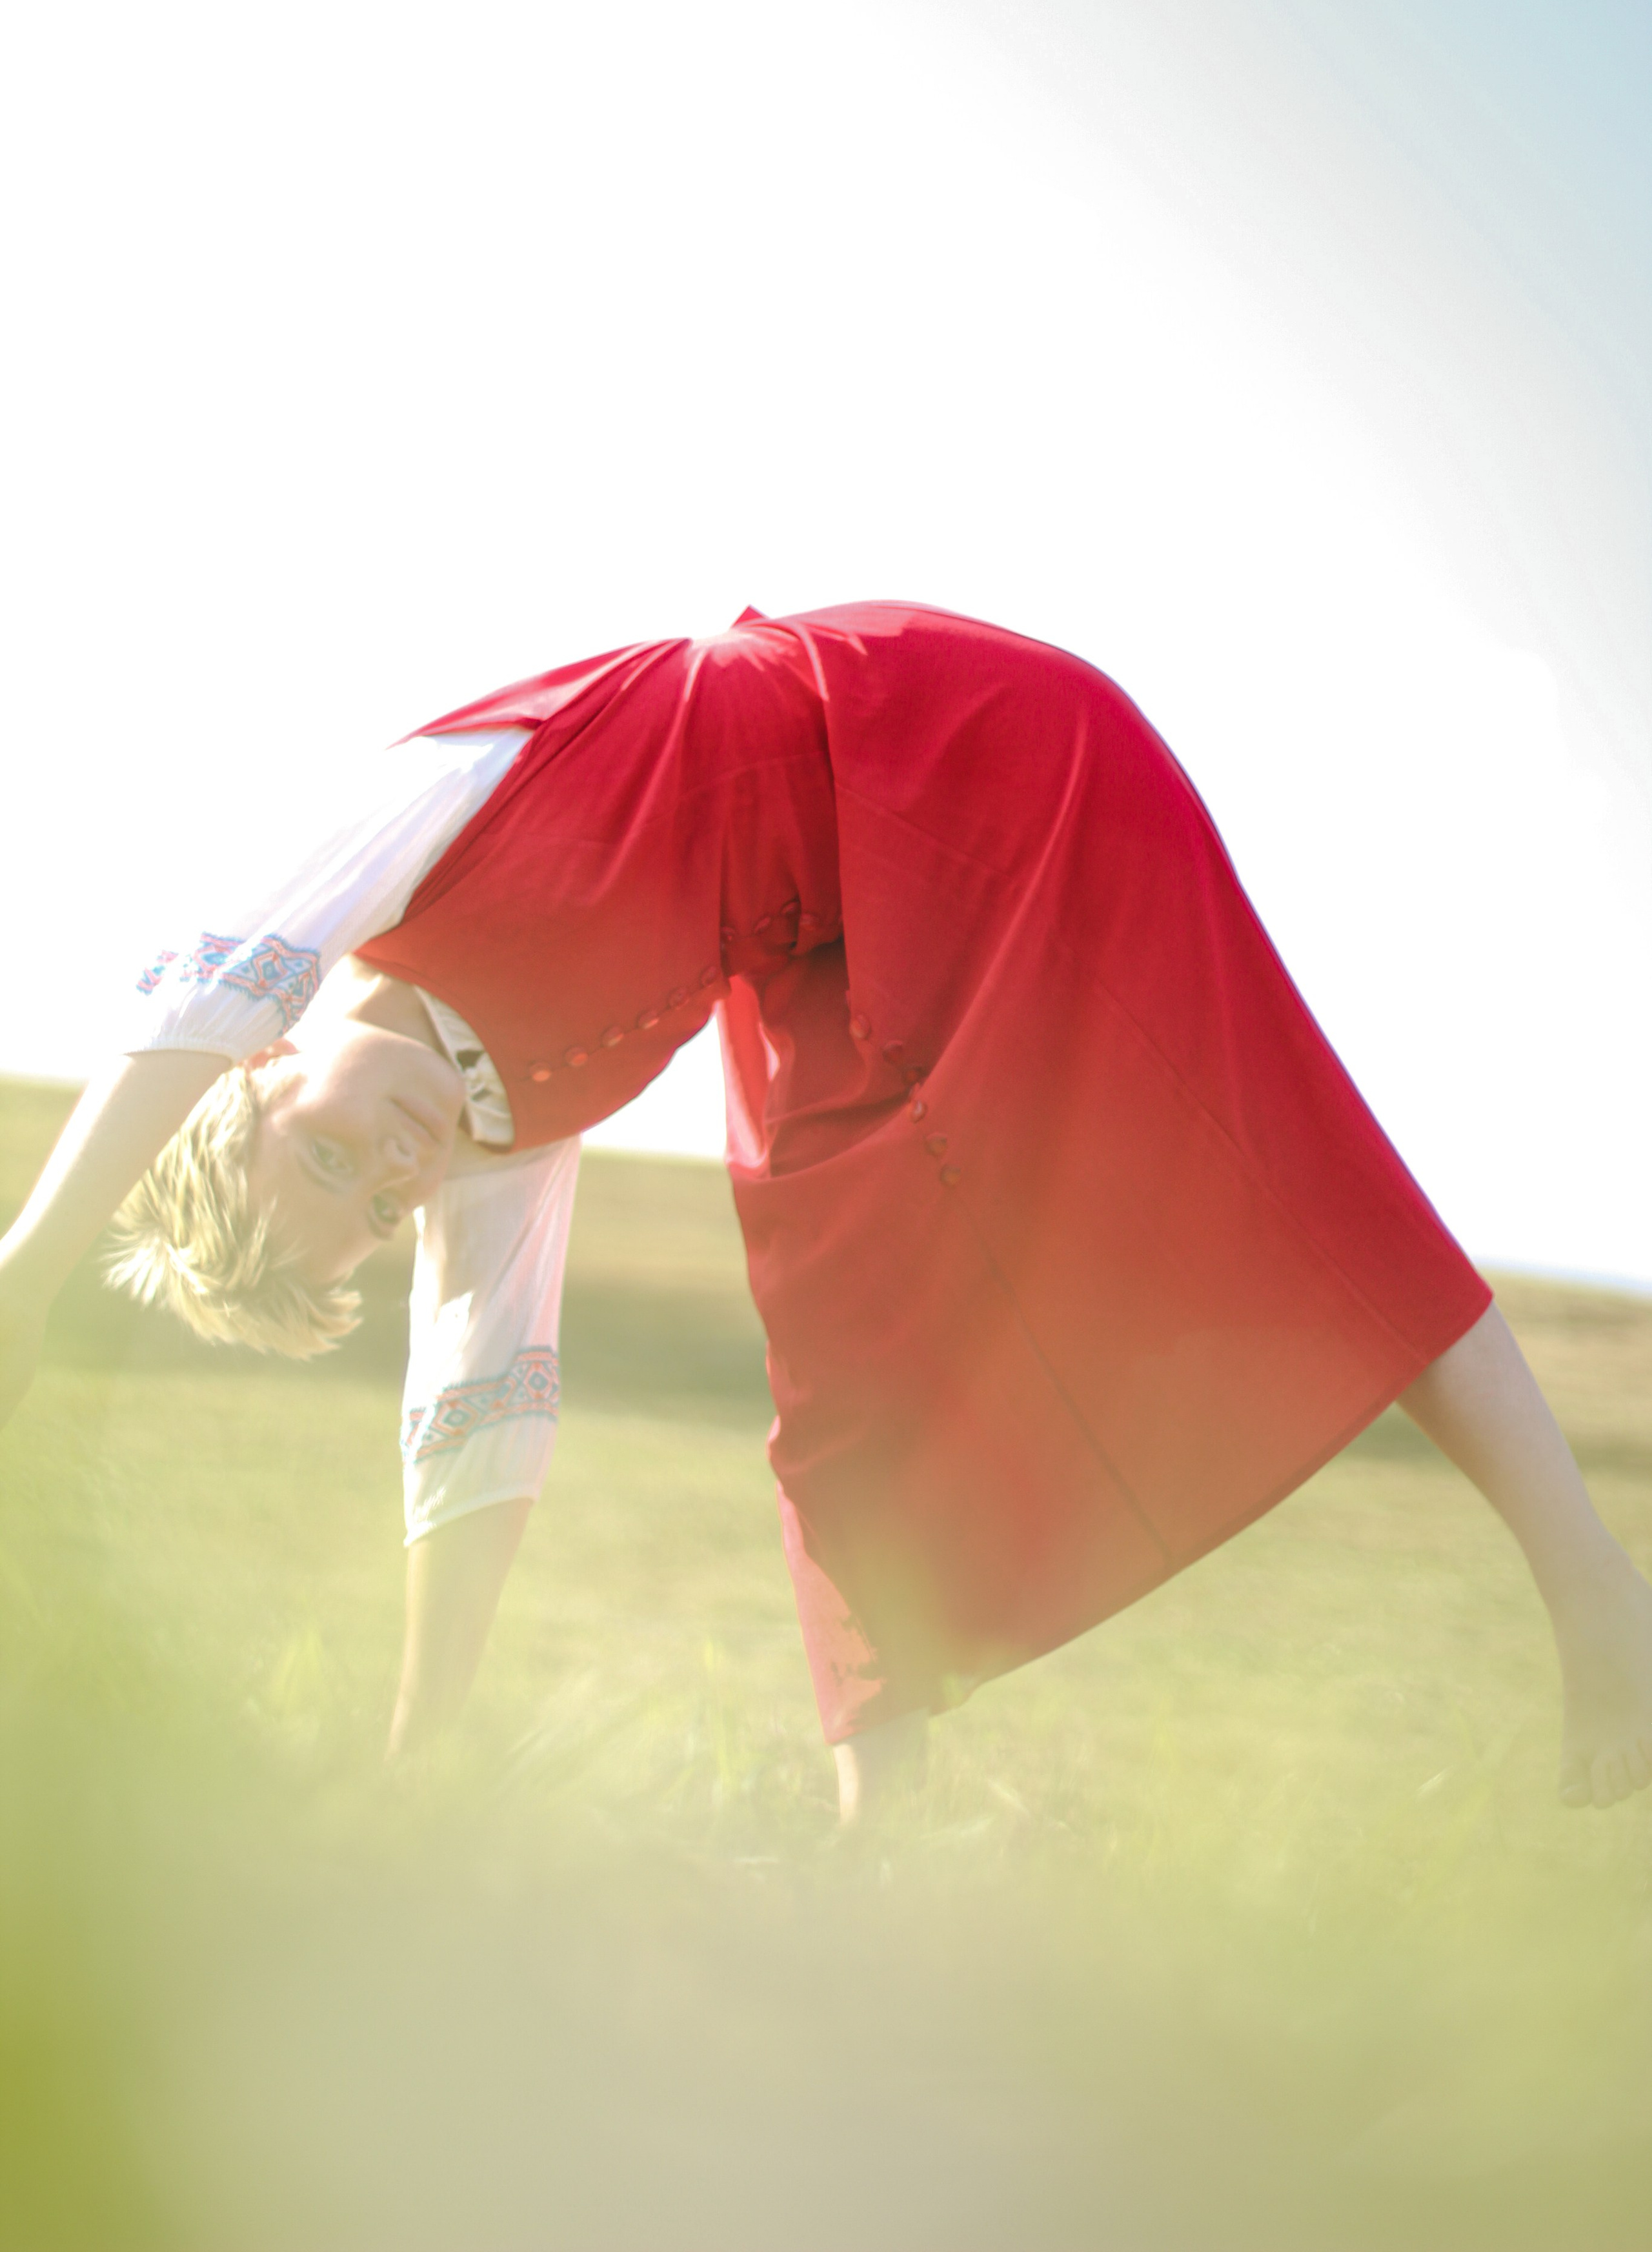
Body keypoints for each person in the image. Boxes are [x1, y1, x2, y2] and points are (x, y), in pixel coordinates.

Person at [1, 603, 1647, 1819]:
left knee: (1258, 1159)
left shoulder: (404, 833)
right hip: (822, 933)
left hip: (955, 749)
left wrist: (30, 1268)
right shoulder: (494, 1137)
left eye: (330, 1157)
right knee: (837, 1357)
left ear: (268, 1066)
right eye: (378, 1207)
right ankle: (885, 1844)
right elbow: (471, 1410)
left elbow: (206, 983)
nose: (394, 1170)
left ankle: (1592, 1591)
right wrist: (422, 1741)